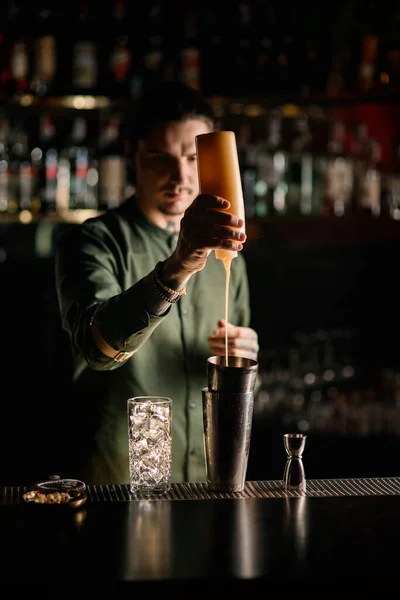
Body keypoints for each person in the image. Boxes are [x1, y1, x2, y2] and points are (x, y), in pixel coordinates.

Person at [54, 81, 259, 485]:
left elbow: (239, 380)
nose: (180, 175)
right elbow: (97, 347)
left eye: (192, 158)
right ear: (131, 154)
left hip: (206, 482)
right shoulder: (92, 241)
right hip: (116, 486)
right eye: (159, 157)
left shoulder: (227, 255)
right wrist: (179, 265)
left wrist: (246, 355)